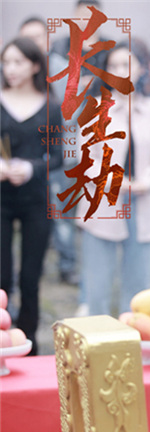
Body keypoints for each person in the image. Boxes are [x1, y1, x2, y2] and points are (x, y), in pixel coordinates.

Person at [75, 41, 150, 316]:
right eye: (113, 66)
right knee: (97, 287)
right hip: (102, 203)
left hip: (144, 202)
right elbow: (88, 160)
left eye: (126, 65)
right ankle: (96, 347)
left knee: (139, 290)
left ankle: (135, 347)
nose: (119, 71)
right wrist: (116, 182)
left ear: (141, 68)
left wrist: (149, 181)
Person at [1, 38, 63, 355]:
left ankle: (28, 343)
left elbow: (59, 157)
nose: (10, 69)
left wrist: (31, 168)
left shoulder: (51, 106)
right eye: (6, 62)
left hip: (37, 199)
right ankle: (2, 340)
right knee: (1, 276)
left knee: (30, 276)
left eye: (18, 62)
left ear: (35, 65)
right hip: (1, 197)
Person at [19, 16, 79, 286]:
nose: (30, 44)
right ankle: (33, 264)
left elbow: (73, 112)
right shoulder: (13, 73)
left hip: (59, 152)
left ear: (46, 40)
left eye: (35, 37)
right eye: (25, 38)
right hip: (25, 157)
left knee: (63, 213)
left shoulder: (62, 70)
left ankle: (67, 265)